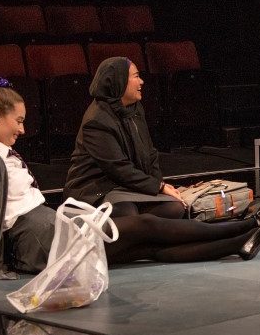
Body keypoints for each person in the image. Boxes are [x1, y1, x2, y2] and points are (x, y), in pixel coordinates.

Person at [0, 78, 260, 289]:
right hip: (42, 244)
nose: (22, 129)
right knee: (143, 226)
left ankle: (238, 243)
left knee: (148, 248)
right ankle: (242, 227)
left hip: (52, 229)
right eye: (17, 121)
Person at [63, 57, 188, 217]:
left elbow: (150, 154)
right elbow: (117, 168)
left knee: (173, 208)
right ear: (119, 81)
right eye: (136, 76)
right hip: (98, 189)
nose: (141, 81)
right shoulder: (96, 120)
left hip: (126, 185)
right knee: (126, 212)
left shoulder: (135, 109)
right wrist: (158, 187)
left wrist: (161, 186)